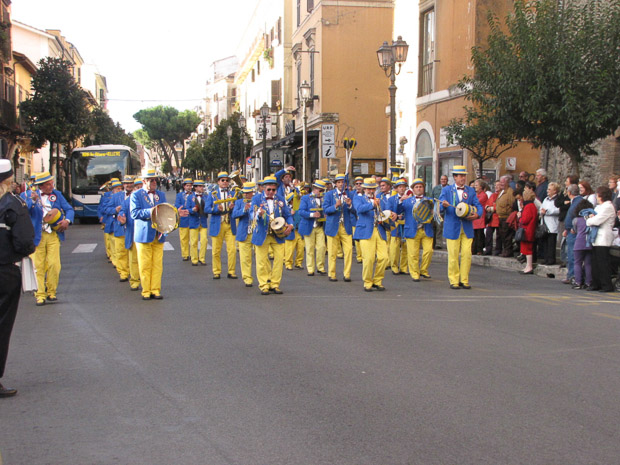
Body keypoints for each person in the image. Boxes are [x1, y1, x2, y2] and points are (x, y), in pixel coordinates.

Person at [0, 159, 35, 397]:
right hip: (4, 270)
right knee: (2, 325)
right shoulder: (13, 203)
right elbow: (24, 241)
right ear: (9, 179)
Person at [23, 171, 74, 306]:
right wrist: (33, 201)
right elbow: (25, 212)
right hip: (36, 235)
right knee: (38, 266)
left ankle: (52, 291)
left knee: (54, 264)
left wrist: (67, 220)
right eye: (48, 184)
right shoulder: (28, 195)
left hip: (52, 234)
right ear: (40, 186)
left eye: (51, 183)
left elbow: (69, 209)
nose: (51, 186)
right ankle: (40, 294)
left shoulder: (57, 195)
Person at [130, 168, 171, 300]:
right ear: (144, 181)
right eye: (151, 180)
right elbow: (134, 213)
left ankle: (155, 290)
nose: (154, 182)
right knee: (145, 265)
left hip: (158, 234)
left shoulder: (161, 195)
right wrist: (151, 211)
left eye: (155, 180)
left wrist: (176, 213)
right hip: (144, 234)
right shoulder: (136, 195)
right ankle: (146, 291)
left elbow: (165, 211)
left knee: (157, 265)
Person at [439, 166, 483, 289]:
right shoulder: (447, 190)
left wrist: (477, 214)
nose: (463, 178)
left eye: (464, 176)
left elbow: (478, 206)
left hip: (467, 227)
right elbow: (440, 206)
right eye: (460, 176)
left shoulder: (471, 191)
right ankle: (454, 280)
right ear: (455, 177)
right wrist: (443, 205)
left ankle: (464, 280)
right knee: (453, 256)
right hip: (452, 227)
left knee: (467, 255)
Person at [250, 176, 293, 295]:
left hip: (277, 235)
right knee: (261, 261)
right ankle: (264, 284)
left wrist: (290, 225)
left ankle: (275, 284)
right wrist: (259, 214)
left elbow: (287, 214)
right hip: (262, 234)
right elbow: (251, 214)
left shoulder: (280, 199)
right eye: (268, 189)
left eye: (273, 190)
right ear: (264, 188)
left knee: (279, 260)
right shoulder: (256, 198)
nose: (271, 192)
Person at [353, 178, 389, 291]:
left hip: (379, 230)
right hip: (365, 231)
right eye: (369, 189)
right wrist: (373, 204)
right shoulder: (358, 198)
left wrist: (392, 215)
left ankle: (377, 281)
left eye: (373, 189)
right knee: (368, 259)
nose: (371, 191)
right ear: (364, 189)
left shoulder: (380, 199)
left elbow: (385, 212)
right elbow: (359, 209)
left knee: (384, 257)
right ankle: (367, 281)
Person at [206, 172, 238, 279]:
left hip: (229, 223)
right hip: (217, 223)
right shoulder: (212, 194)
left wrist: (233, 207)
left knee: (232, 250)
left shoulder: (233, 193)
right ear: (218, 182)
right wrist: (216, 209)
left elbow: (238, 207)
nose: (225, 182)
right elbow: (206, 209)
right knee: (216, 250)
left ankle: (231, 271)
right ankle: (216, 271)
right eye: (222, 180)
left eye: (226, 180)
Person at [323, 174, 355, 282]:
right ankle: (332, 274)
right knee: (332, 252)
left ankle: (347, 274)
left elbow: (355, 211)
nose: (341, 184)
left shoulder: (350, 194)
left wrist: (350, 205)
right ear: (335, 184)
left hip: (346, 226)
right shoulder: (329, 194)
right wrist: (335, 206)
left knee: (349, 251)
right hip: (333, 225)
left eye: (343, 182)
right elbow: (325, 209)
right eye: (339, 182)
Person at [401, 178, 434, 282]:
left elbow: (438, 210)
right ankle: (414, 273)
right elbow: (397, 210)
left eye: (421, 187)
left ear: (424, 188)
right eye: (416, 187)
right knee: (413, 254)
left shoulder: (430, 200)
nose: (419, 189)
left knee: (429, 251)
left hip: (426, 229)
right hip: (412, 229)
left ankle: (423, 270)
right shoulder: (407, 201)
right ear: (413, 189)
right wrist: (400, 200)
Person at [585, 186, 616, 292]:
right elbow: (591, 216)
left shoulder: (608, 207)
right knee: (595, 263)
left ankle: (606, 285)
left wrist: (589, 220)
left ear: (601, 196)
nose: (596, 197)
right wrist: (590, 218)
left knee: (603, 263)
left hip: (603, 237)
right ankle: (596, 283)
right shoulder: (599, 207)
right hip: (596, 237)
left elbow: (597, 220)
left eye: (597, 195)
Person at [298, 180, 327, 276]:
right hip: (309, 225)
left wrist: (326, 214)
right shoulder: (305, 198)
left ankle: (320, 267)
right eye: (320, 190)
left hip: (320, 226)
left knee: (322, 247)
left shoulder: (323, 199)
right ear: (315, 189)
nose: (321, 192)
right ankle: (310, 269)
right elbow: (301, 211)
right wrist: (312, 214)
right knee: (309, 248)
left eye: (323, 190)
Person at [119, 178, 142, 291]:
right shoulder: (127, 201)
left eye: (141, 187)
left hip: (146, 234)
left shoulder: (149, 200)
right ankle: (134, 281)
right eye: (137, 187)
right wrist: (122, 219)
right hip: (132, 234)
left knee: (146, 261)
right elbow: (122, 212)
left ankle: (146, 281)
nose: (139, 190)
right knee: (133, 260)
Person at [110, 176, 134, 282]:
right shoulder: (116, 196)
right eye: (126, 183)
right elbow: (107, 209)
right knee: (120, 252)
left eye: (131, 183)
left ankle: (133, 272)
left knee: (133, 253)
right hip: (120, 228)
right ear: (123, 184)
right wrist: (115, 210)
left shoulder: (138, 195)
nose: (129, 185)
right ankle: (123, 273)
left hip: (132, 229)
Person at [232, 182, 256, 287]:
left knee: (261, 257)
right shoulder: (239, 202)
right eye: (244, 193)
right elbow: (234, 214)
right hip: (244, 232)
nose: (245, 195)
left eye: (247, 193)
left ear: (252, 192)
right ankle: (247, 279)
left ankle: (266, 277)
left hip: (256, 232)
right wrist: (244, 209)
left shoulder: (258, 201)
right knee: (245, 258)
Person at [386, 179, 409, 275]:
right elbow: (388, 211)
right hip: (395, 225)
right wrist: (400, 201)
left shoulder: (410, 198)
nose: (402, 189)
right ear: (396, 189)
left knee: (406, 247)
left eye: (403, 187)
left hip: (406, 224)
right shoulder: (391, 199)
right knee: (394, 247)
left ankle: (404, 267)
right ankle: (394, 266)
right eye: (400, 187)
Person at [561, 184, 582, 284]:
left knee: (572, 255)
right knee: (570, 254)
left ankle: (572, 276)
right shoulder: (576, 201)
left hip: (573, 232)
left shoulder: (577, 202)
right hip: (570, 230)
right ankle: (571, 275)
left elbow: (577, 216)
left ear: (569, 193)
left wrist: (573, 227)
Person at [571, 199, 594, 290]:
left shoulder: (576, 220)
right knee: (588, 264)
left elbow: (574, 230)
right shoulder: (591, 219)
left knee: (577, 263)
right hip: (589, 243)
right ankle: (588, 282)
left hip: (579, 242)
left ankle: (578, 282)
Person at [538, 182, 560, 265]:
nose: (547, 191)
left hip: (552, 224)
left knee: (551, 243)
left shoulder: (557, 200)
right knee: (545, 242)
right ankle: (546, 258)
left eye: (550, 189)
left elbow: (558, 210)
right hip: (545, 223)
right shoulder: (546, 199)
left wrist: (547, 211)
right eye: (548, 189)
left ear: (555, 191)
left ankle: (551, 259)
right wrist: (541, 211)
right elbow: (541, 207)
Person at [493, 175, 515, 257]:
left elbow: (512, 204)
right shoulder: (502, 191)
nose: (501, 184)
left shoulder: (510, 192)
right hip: (500, 217)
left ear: (507, 182)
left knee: (507, 236)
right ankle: (505, 250)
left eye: (503, 182)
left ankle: (508, 251)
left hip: (506, 217)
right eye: (500, 182)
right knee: (502, 235)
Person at [517, 189, 538, 274]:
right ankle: (527, 266)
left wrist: (520, 217)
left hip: (527, 230)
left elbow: (525, 220)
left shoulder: (529, 206)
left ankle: (529, 266)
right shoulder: (532, 205)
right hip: (529, 229)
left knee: (527, 249)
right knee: (526, 248)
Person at [188, 180, 208, 266]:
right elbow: (187, 209)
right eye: (200, 186)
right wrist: (192, 210)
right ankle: (194, 259)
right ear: (195, 187)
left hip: (203, 221)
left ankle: (202, 258)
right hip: (194, 221)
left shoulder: (206, 196)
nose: (202, 188)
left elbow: (209, 206)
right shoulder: (190, 197)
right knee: (193, 242)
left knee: (204, 240)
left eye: (202, 186)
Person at [174, 178, 193, 261]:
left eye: (190, 186)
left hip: (192, 218)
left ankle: (193, 254)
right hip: (183, 218)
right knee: (184, 238)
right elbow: (177, 204)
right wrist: (182, 208)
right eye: (187, 186)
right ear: (184, 186)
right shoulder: (179, 195)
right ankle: (185, 254)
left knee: (193, 239)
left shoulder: (194, 195)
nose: (189, 187)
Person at [484, 180, 501, 255]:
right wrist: (487, 207)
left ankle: (498, 250)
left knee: (498, 236)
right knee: (488, 234)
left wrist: (492, 208)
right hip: (491, 218)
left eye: (498, 185)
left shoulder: (501, 195)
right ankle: (488, 249)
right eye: (495, 185)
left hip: (498, 217)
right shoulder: (493, 195)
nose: (496, 187)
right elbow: (487, 203)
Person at [472, 180, 489, 255]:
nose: (475, 187)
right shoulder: (476, 194)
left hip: (480, 217)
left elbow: (476, 203)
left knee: (479, 234)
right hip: (475, 217)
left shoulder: (483, 195)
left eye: (476, 185)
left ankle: (479, 249)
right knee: (474, 234)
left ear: (481, 187)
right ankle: (474, 249)